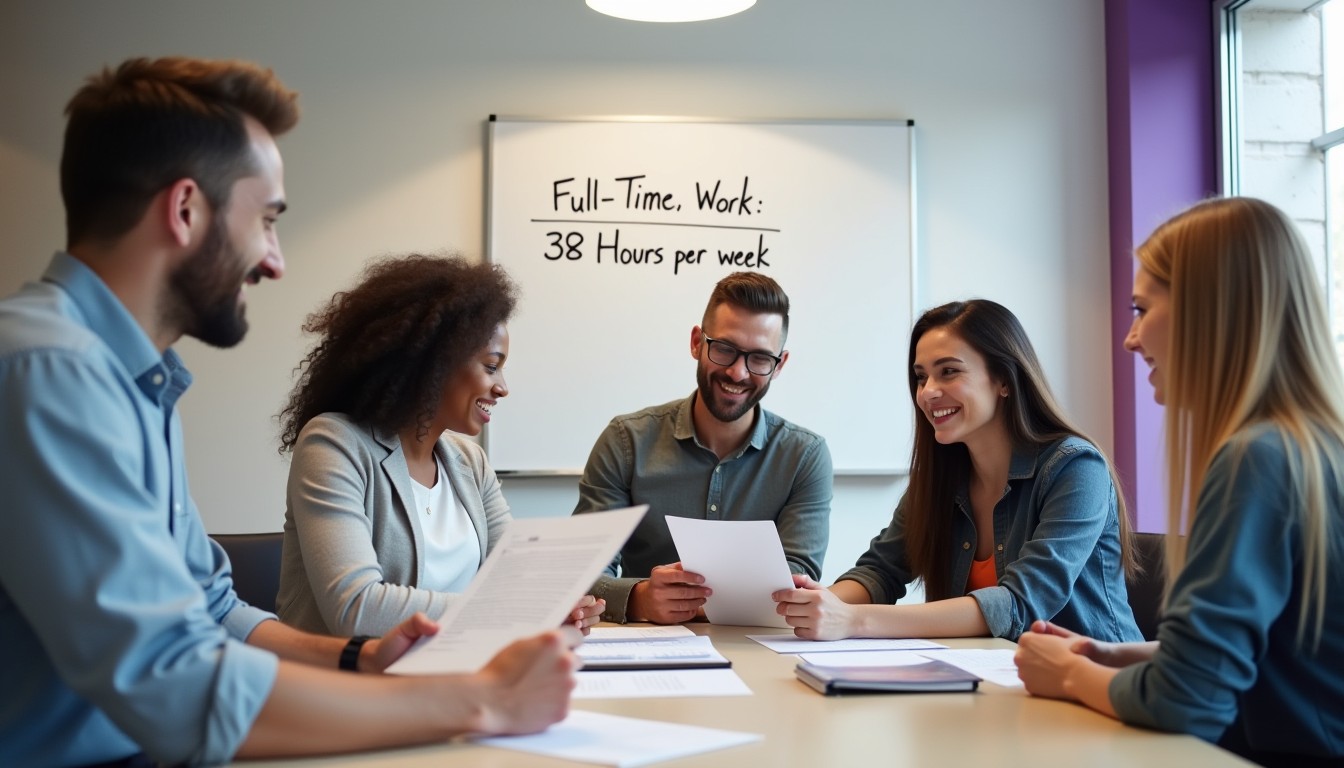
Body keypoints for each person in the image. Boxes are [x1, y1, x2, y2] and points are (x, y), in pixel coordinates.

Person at [0, 57, 577, 768]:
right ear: (185, 211)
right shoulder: (49, 371)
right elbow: (173, 684)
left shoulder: (132, 380)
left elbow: (214, 611)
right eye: (267, 220)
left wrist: (356, 660)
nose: (273, 260)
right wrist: (482, 701)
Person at [1014, 197, 1344, 766]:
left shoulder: (1257, 459)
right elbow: (1281, 650)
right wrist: (1117, 656)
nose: (1131, 339)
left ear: (1211, 310)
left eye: (1142, 309)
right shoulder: (1315, 447)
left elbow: (1187, 700)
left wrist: (1069, 675)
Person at [773, 299, 1142, 643]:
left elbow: (1019, 604)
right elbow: (881, 571)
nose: (928, 392)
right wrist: (818, 605)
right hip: (995, 684)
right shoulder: (943, 477)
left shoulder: (1076, 468)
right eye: (921, 377)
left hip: (1096, 692)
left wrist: (854, 621)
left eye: (948, 372)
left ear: (1003, 381)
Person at [275, 253, 603, 637]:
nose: (503, 387)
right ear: (435, 362)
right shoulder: (333, 444)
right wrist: (507, 610)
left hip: (452, 676)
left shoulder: (470, 463)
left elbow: (516, 581)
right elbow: (357, 608)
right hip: (350, 686)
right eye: (491, 365)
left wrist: (557, 606)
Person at [573, 271, 833, 624]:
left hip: (760, 649)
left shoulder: (804, 456)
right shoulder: (625, 441)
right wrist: (638, 598)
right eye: (724, 349)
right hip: (647, 649)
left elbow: (796, 580)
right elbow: (581, 574)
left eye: (759, 358)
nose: (738, 373)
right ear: (697, 342)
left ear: (779, 365)